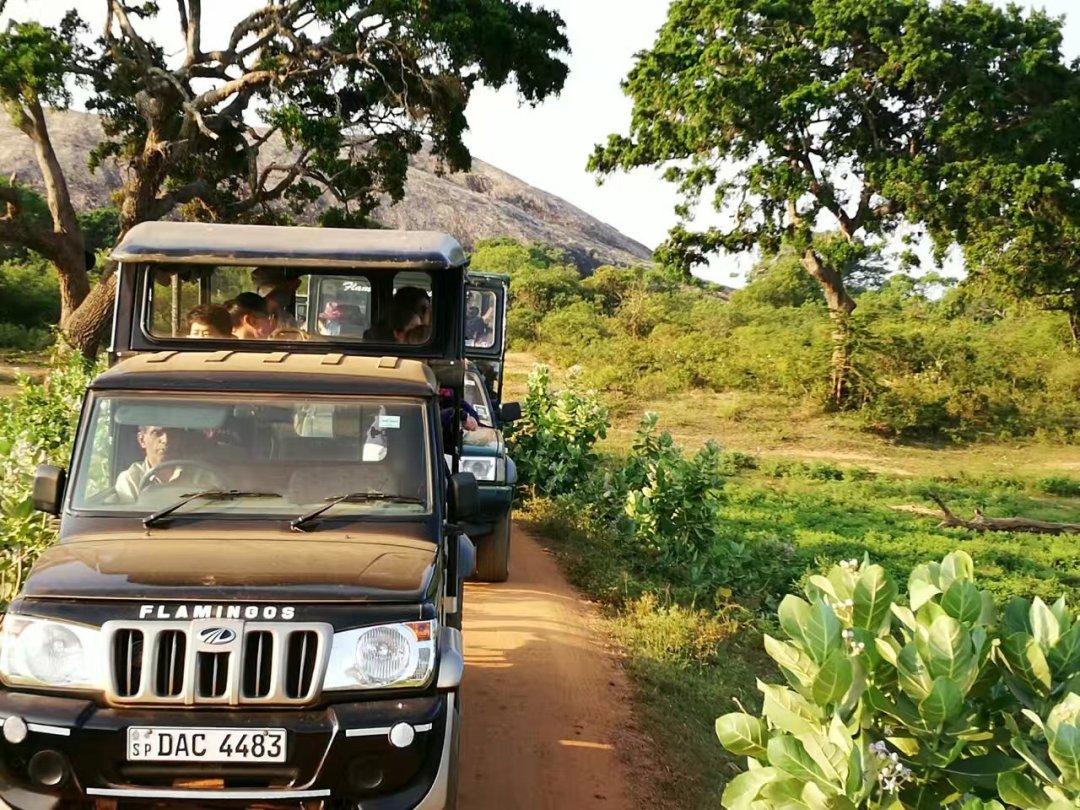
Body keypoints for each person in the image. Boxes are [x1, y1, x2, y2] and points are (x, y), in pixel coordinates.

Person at [114, 425, 213, 501]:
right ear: (142, 440)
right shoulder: (131, 479)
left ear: (180, 439)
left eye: (173, 433)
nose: (166, 440)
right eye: (157, 433)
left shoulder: (201, 475)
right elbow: (129, 522)